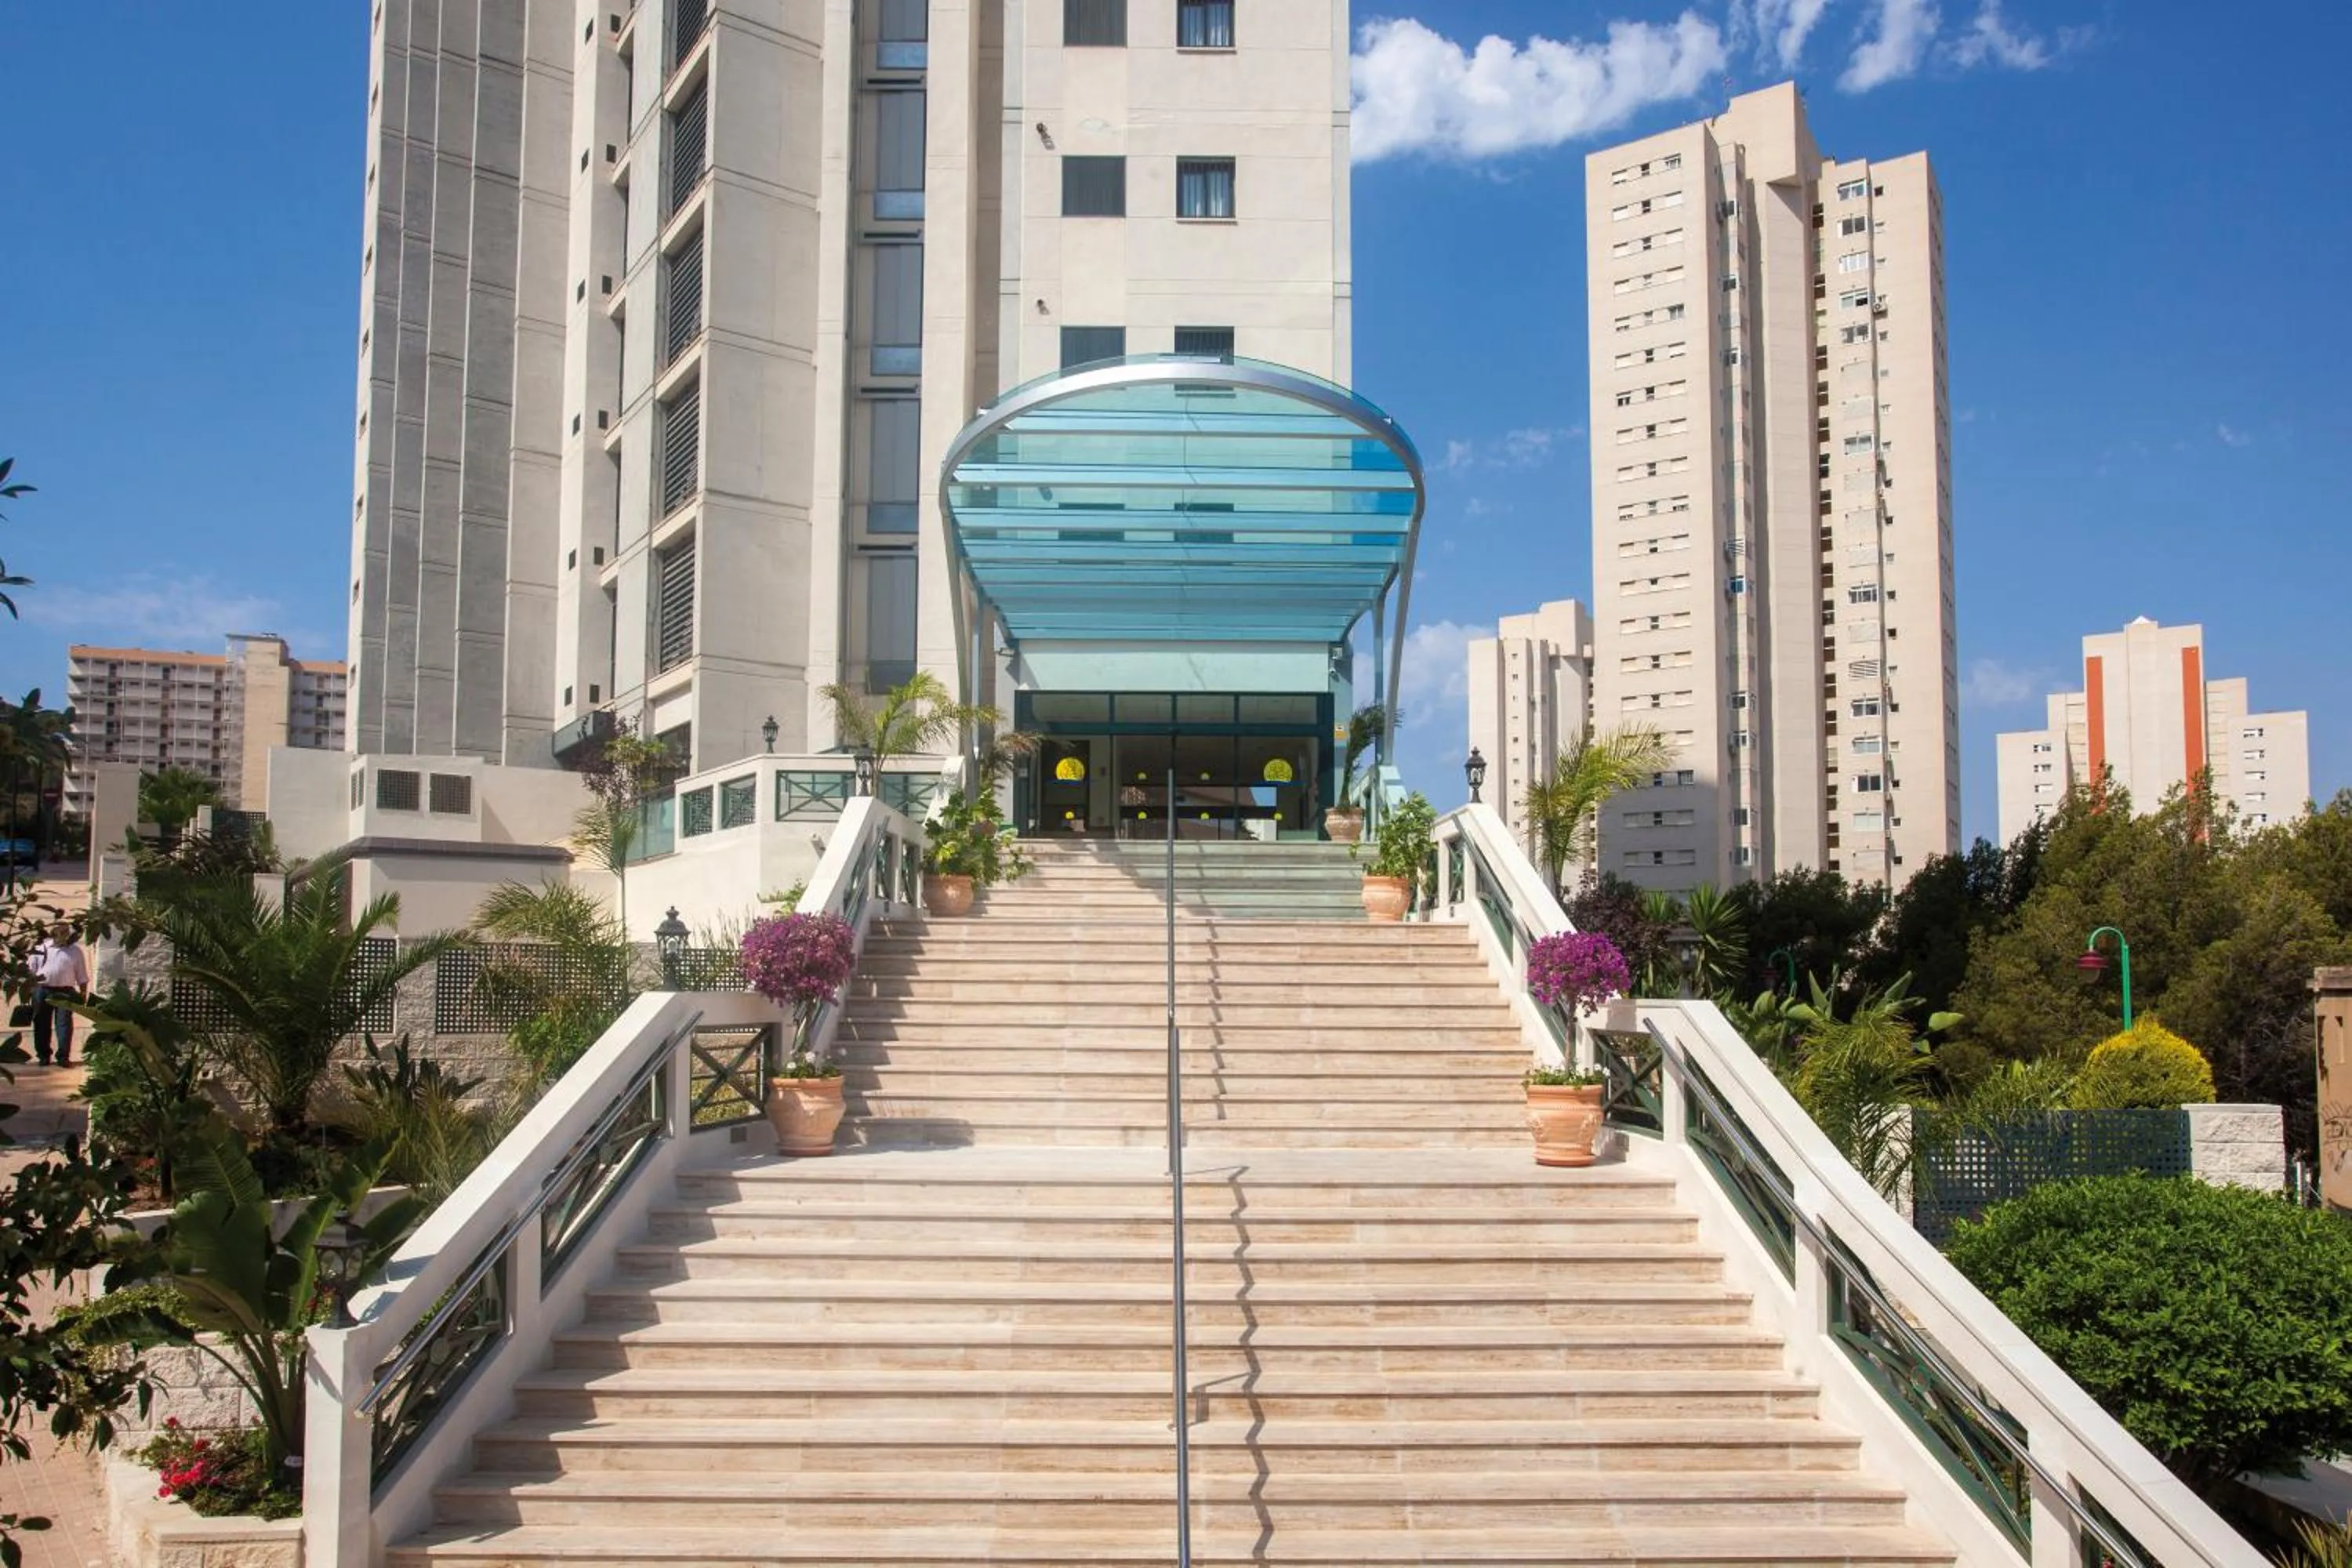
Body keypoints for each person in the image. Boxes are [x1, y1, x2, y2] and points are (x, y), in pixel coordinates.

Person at [29, 923, 90, 1068]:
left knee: (64, 1025)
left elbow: (82, 975)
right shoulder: (40, 949)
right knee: (41, 1023)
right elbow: (30, 971)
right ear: (55, 935)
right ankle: (43, 1056)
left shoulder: (75, 951)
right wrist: (30, 992)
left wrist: (83, 993)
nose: (67, 938)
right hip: (42, 990)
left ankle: (63, 1057)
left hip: (65, 992)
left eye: (68, 935)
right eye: (63, 935)